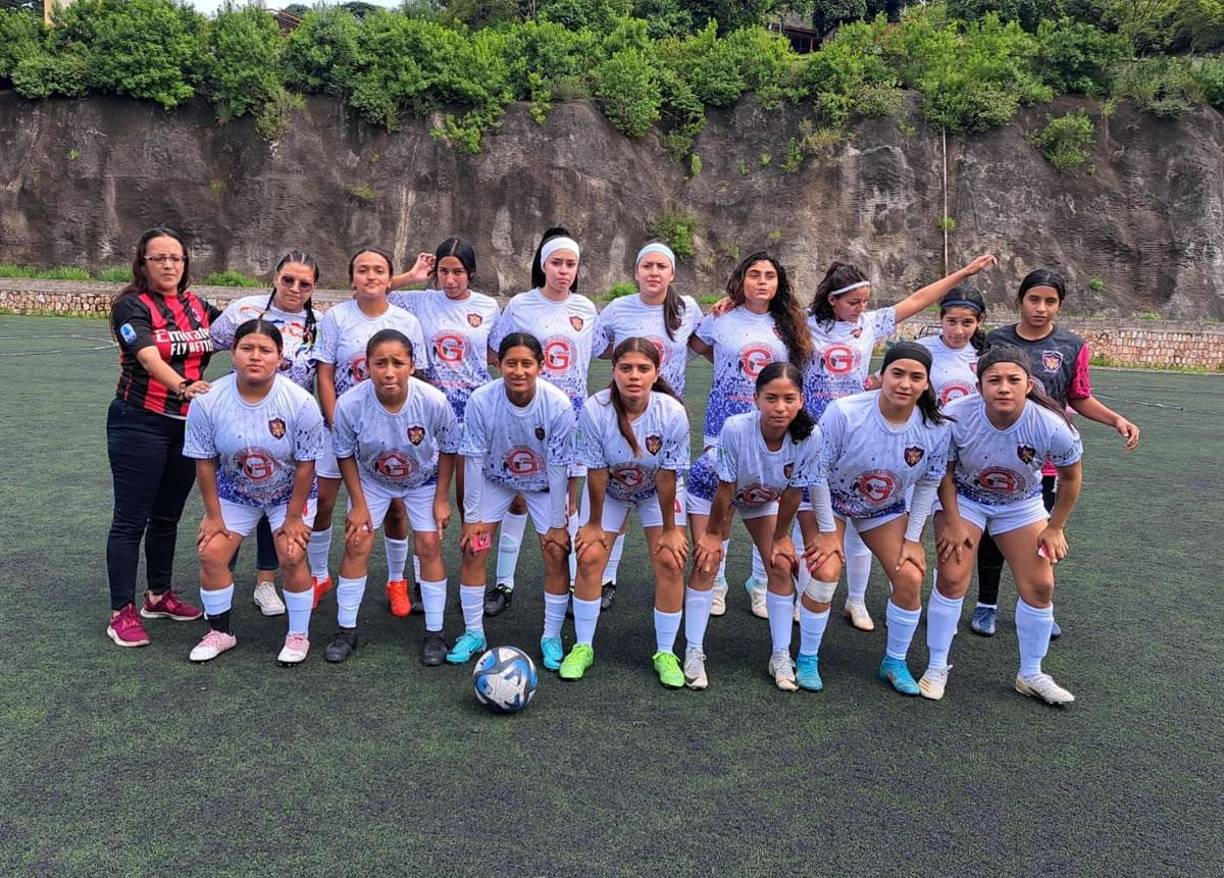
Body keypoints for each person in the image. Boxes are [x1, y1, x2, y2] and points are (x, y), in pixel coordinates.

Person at [800, 254, 996, 633]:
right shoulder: (805, 324)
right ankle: (795, 595)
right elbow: (766, 311)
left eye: (866, 301)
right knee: (809, 524)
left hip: (862, 430)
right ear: (832, 300)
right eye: (854, 302)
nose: (863, 308)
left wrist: (965, 272)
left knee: (863, 523)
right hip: (812, 430)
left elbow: (919, 299)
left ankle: (856, 601)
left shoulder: (869, 324)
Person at [970, 268, 1140, 638]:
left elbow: (1078, 395)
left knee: (1043, 533)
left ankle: (1036, 604)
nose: (1041, 308)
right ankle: (986, 605)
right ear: (1020, 300)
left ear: (1059, 305)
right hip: (997, 452)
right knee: (988, 534)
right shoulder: (996, 339)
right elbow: (980, 387)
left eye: (1050, 301)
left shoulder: (1072, 345)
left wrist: (1114, 420)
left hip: (1043, 461)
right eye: (1034, 299)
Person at [926, 346, 1084, 704]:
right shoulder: (956, 415)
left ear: (1028, 384)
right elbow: (944, 473)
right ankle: (936, 666)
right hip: (964, 499)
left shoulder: (1051, 425)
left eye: (1013, 380)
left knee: (1041, 586)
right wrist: (951, 521)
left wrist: (1055, 527)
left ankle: (1031, 673)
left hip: (1020, 504)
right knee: (952, 577)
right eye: (993, 380)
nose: (1003, 388)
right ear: (978, 385)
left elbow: (1071, 478)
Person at [804, 342, 952, 696]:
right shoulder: (845, 411)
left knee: (910, 577)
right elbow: (817, 471)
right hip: (831, 501)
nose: (905, 383)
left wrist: (913, 537)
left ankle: (895, 660)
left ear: (927, 383)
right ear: (880, 376)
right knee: (825, 573)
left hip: (882, 508)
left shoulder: (935, 428)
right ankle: (807, 657)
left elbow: (930, 481)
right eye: (897, 373)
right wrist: (827, 531)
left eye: (916, 377)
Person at [183, 319, 325, 665]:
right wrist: (214, 516)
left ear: (280, 357)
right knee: (212, 552)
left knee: (291, 553)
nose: (255, 357)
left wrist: (293, 518)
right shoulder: (209, 400)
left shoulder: (301, 403)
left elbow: (307, 465)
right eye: (247, 348)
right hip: (236, 492)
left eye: (265, 350)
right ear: (233, 353)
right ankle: (220, 631)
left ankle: (298, 635)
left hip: (287, 493)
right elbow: (204, 462)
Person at [105, 226, 218, 647]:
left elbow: (241, 331)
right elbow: (149, 357)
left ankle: (158, 595)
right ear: (142, 263)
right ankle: (121, 611)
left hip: (186, 426)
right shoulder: (131, 306)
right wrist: (183, 387)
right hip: (139, 421)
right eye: (159, 258)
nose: (169, 265)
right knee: (130, 519)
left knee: (167, 516)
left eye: (177, 258)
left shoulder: (196, 306)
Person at [307, 247, 430, 620]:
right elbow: (324, 375)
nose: (371, 276)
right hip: (340, 427)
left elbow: (418, 377)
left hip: (389, 434)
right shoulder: (336, 319)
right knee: (324, 503)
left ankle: (396, 580)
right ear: (351, 278)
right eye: (362, 270)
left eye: (378, 270)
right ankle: (318, 576)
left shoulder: (406, 321)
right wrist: (335, 422)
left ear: (389, 277)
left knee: (395, 508)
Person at [689, 250, 812, 617]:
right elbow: (692, 349)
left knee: (769, 502)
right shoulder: (720, 318)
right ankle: (717, 582)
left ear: (779, 283)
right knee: (721, 502)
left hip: (775, 428)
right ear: (741, 280)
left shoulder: (790, 322)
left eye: (769, 276)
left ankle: (760, 583)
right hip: (723, 425)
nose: (762, 281)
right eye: (754, 274)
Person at [325, 330, 459, 666]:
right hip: (373, 480)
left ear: (412, 366)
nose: (389, 371)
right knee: (357, 541)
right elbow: (343, 453)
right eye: (380, 363)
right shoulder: (350, 403)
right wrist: (358, 504)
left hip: (423, 479)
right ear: (366, 366)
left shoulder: (432, 400)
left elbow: (449, 449)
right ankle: (345, 630)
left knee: (429, 545)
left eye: (398, 363)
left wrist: (442, 497)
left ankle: (435, 633)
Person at [687, 363, 823, 692]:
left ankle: (780, 655)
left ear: (801, 400)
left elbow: (793, 493)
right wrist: (712, 535)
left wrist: (780, 539)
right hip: (711, 492)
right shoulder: (736, 428)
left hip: (762, 495)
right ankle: (693, 651)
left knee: (779, 564)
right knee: (707, 562)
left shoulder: (811, 435)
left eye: (789, 398)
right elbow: (724, 489)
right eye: (771, 398)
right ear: (756, 399)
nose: (780, 407)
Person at [485, 227, 597, 616]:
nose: (563, 271)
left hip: (572, 416)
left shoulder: (586, 308)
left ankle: (568, 584)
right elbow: (495, 351)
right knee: (517, 495)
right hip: (525, 414)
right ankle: (503, 583)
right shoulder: (520, 304)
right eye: (556, 263)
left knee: (568, 499)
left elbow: (594, 354)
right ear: (543, 265)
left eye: (570, 264)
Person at [449, 333, 577, 669]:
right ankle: (473, 632)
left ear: (541, 366)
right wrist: (472, 517)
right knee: (474, 548)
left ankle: (550, 636)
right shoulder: (481, 400)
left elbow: (561, 466)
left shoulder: (558, 404)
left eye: (526, 364)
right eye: (510, 363)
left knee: (554, 550)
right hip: (496, 477)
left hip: (544, 483)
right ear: (498, 364)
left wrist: (557, 524)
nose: (518, 371)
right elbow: (473, 459)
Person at [567, 339, 691, 685]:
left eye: (643, 369)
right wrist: (593, 524)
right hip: (612, 489)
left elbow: (668, 475)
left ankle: (665, 652)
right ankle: (582, 646)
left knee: (670, 559)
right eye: (626, 368)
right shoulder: (596, 408)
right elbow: (596, 469)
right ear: (614, 371)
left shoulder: (672, 412)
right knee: (590, 556)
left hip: (656, 491)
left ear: (656, 373)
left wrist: (670, 529)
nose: (634, 376)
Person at [388, 237, 499, 615]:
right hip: (429, 411)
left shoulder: (488, 307)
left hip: (474, 412)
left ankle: (476, 578)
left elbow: (495, 356)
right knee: (426, 501)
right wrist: (412, 275)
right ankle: (423, 581)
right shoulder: (420, 300)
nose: (450, 280)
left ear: (471, 273)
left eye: (458, 272)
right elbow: (370, 290)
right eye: (443, 271)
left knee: (475, 504)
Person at [588, 241, 702, 608]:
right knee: (618, 494)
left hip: (667, 420)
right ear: (635, 272)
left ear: (672, 273)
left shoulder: (688, 310)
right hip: (625, 413)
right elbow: (597, 346)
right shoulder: (618, 309)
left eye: (661, 266)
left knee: (660, 488)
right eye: (646, 266)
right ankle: (606, 578)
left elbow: (707, 338)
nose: (653, 272)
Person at [210, 250, 322, 617]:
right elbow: (208, 343)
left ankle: (264, 583)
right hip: (239, 421)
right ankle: (220, 575)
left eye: (304, 283)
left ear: (314, 287)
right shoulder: (246, 309)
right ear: (275, 277)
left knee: (276, 500)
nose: (294, 288)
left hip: (290, 428)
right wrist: (187, 384)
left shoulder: (320, 322)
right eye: (288, 279)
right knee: (238, 496)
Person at [915, 286, 987, 408]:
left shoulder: (986, 353)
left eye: (967, 323)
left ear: (979, 321)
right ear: (941, 318)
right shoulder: (921, 349)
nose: (958, 331)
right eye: (951, 322)